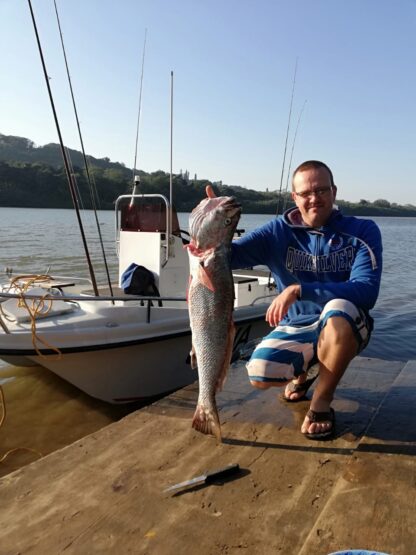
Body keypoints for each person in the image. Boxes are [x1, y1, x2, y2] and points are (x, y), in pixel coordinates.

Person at [207, 160, 383, 440]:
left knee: (337, 310)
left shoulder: (362, 231)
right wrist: (213, 225)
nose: (315, 198)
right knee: (260, 373)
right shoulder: (277, 232)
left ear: (334, 191)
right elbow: (229, 257)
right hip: (298, 324)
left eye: (322, 190)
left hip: (345, 324)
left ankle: (321, 402)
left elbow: (367, 291)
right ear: (295, 197)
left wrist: (300, 289)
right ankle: (305, 374)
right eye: (306, 193)